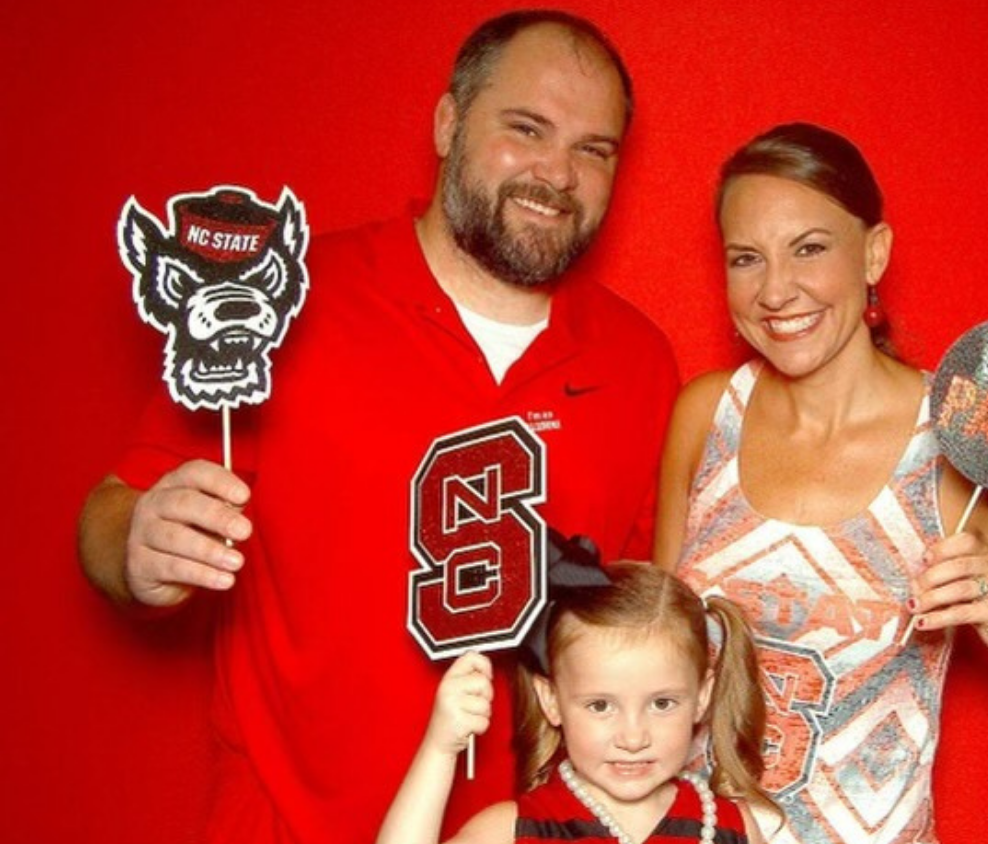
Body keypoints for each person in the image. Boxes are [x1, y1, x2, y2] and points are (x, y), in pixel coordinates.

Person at [76, 11, 678, 844]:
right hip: (286, 820)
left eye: (594, 150)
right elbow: (113, 512)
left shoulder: (639, 361)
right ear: (447, 122)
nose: (558, 173)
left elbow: (640, 628)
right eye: (526, 128)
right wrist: (136, 546)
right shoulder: (284, 302)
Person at [655, 123, 988, 844]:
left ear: (873, 253)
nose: (776, 290)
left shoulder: (961, 439)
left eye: (810, 249)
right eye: (746, 259)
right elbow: (653, 653)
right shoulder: (707, 415)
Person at [377, 562, 773, 844]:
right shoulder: (519, 830)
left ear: (702, 696)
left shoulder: (731, 828)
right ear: (551, 699)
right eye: (601, 706)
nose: (633, 737)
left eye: (662, 703)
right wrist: (440, 749)